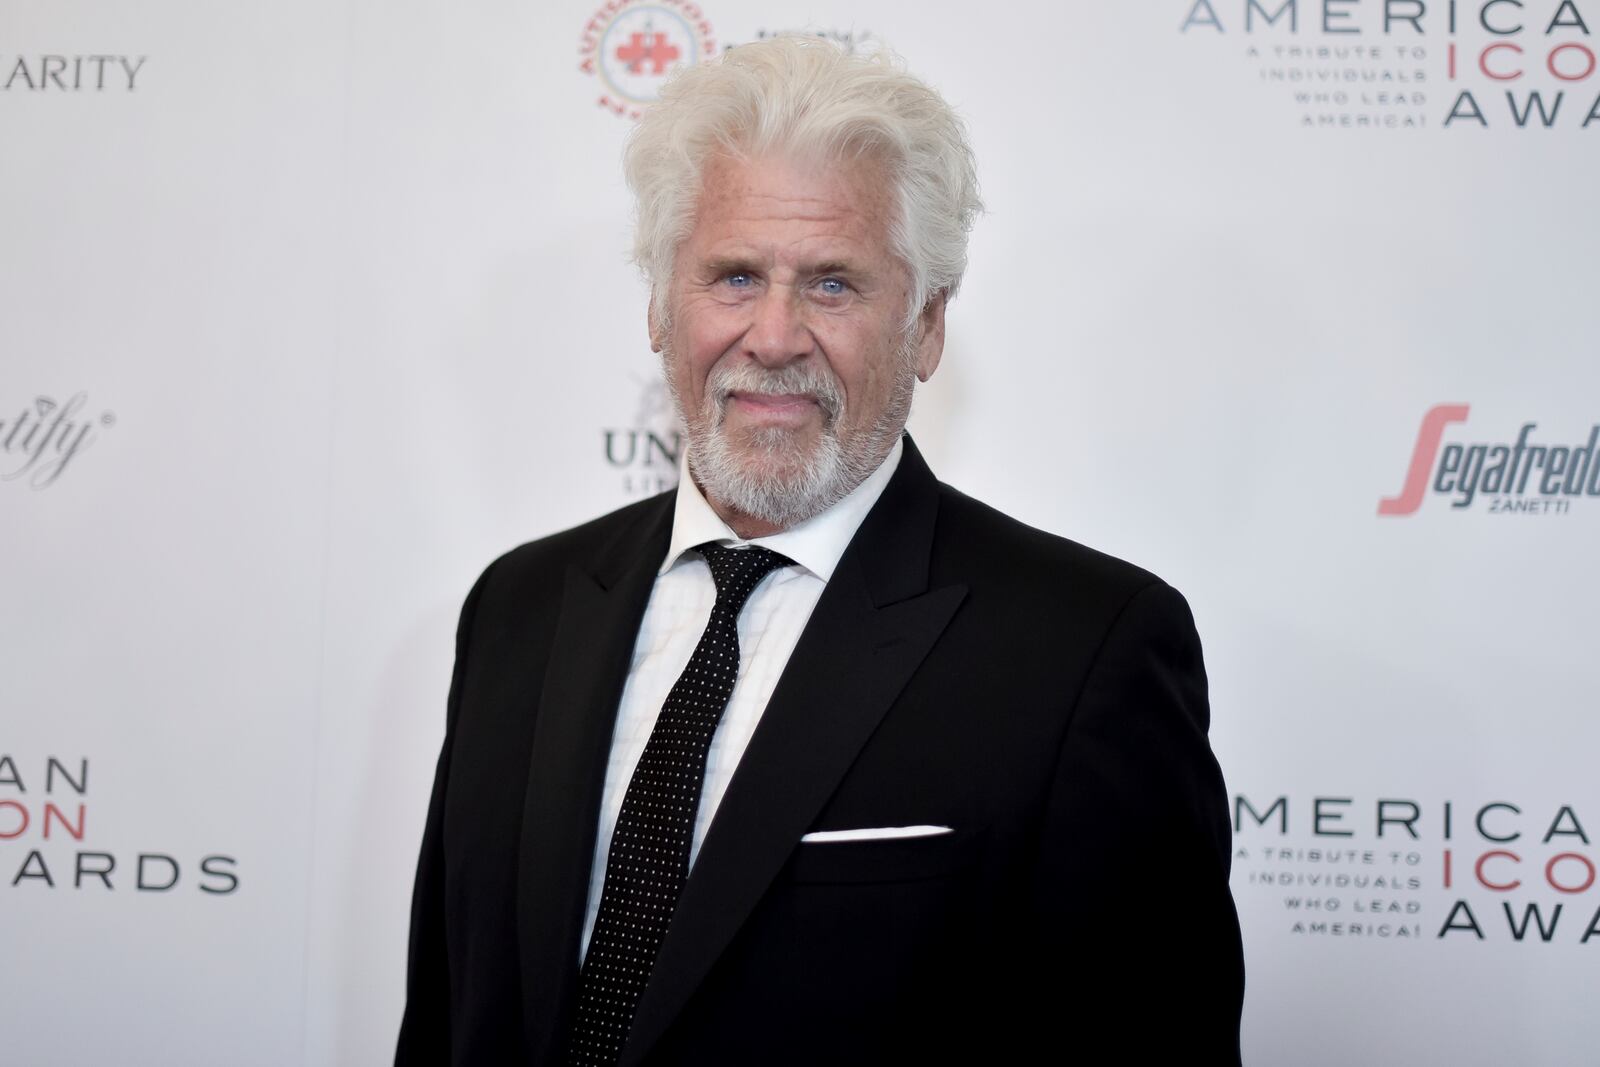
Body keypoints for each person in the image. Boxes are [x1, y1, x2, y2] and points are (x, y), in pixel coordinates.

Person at [396, 35, 1243, 1067]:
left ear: (925, 324)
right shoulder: (518, 607)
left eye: (834, 284)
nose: (775, 335)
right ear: (660, 306)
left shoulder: (1084, 650)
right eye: (734, 275)